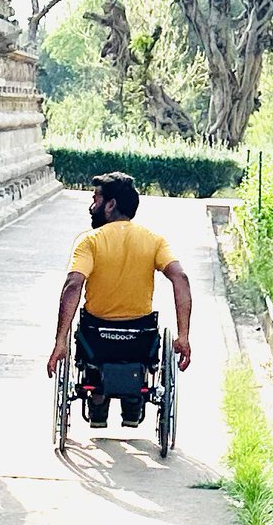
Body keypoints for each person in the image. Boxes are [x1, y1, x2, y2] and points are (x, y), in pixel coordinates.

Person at [46, 171, 192, 428]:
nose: (92, 207)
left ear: (110, 204)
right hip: (140, 336)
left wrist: (60, 341)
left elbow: (73, 285)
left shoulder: (90, 241)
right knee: (142, 344)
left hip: (96, 336)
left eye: (96, 200)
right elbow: (180, 278)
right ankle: (132, 399)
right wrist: (183, 335)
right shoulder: (154, 241)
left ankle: (98, 398)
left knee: (90, 339)